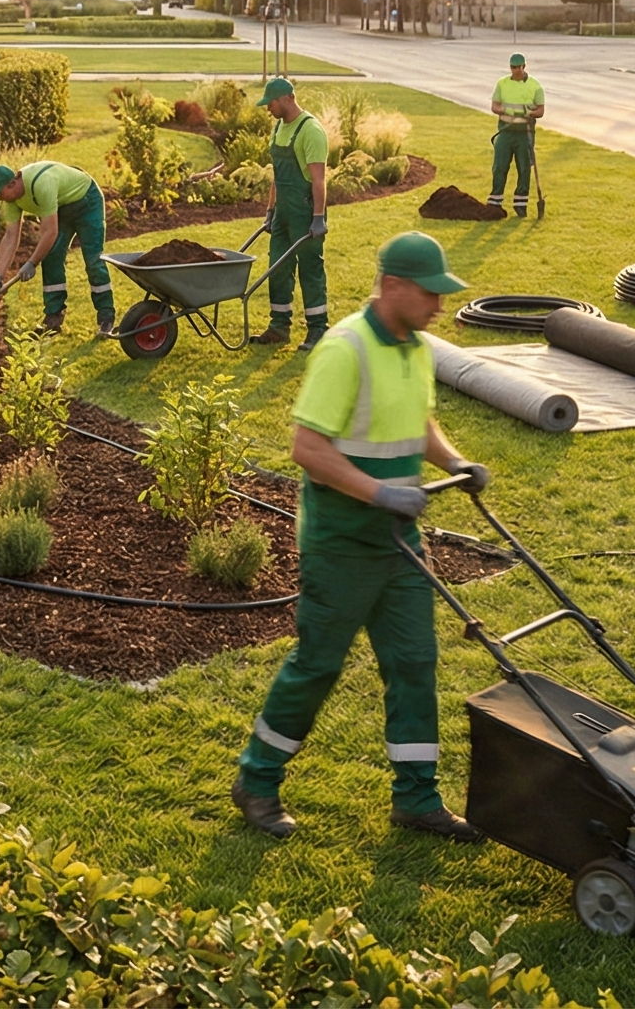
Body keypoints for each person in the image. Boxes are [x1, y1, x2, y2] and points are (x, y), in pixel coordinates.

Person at [232, 231, 492, 842]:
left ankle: (417, 798)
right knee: (318, 665)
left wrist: (455, 462)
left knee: (414, 662)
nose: (438, 305)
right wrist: (378, 493)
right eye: (430, 293)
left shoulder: (416, 347)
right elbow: (307, 448)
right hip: (342, 542)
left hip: (399, 542)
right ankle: (258, 780)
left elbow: (419, 422)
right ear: (393, 286)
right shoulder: (344, 349)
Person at [0, 159, 115, 338]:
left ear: (12, 183)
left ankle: (106, 316)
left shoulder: (41, 183)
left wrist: (31, 263)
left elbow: (50, 232)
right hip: (61, 208)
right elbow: (10, 237)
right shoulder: (12, 201)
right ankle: (53, 319)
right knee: (51, 257)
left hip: (87, 202)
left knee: (93, 260)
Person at [250, 77, 332, 350]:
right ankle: (279, 327)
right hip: (284, 211)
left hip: (306, 212)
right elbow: (277, 175)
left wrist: (318, 218)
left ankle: (318, 329)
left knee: (310, 269)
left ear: (286, 98)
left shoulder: (311, 131)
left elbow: (319, 179)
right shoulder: (278, 129)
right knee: (278, 267)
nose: (267, 108)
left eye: (270, 103)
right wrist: (270, 210)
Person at [486, 54, 544, 215]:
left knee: (524, 168)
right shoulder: (502, 84)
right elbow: (495, 106)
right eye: (513, 67)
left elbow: (541, 110)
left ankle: (520, 204)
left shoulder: (535, 86)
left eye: (518, 67)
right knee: (499, 167)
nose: (516, 70)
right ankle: (495, 202)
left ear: (524, 67)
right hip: (505, 131)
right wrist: (504, 110)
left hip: (525, 133)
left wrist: (530, 113)